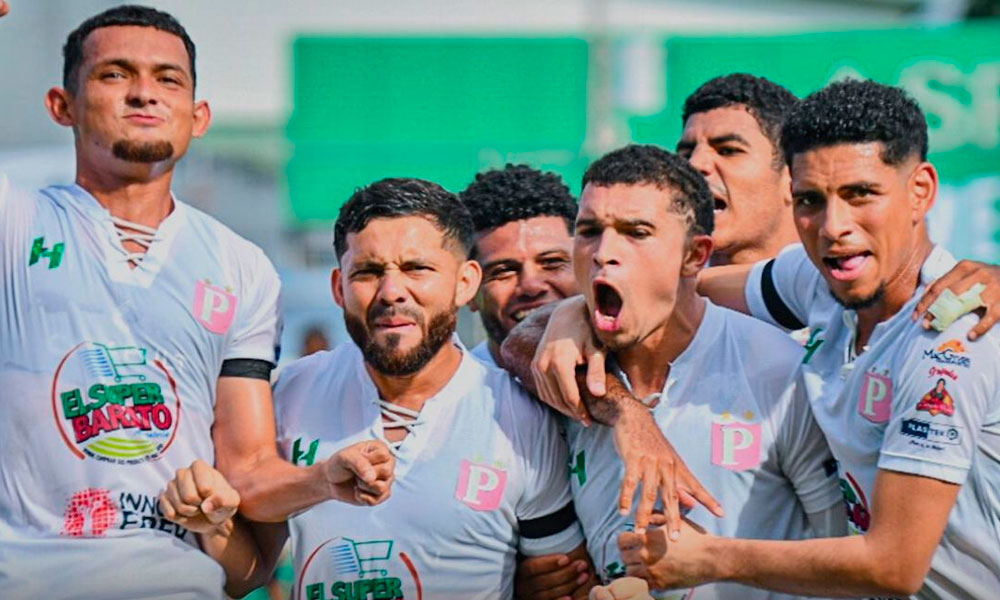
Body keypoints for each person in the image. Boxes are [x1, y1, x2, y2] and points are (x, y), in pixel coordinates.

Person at [0, 5, 389, 598]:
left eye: (168, 79)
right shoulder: (15, 225)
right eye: (114, 74)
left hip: (179, 585)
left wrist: (320, 479)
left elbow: (247, 470)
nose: (144, 93)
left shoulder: (241, 267)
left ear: (198, 116)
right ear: (62, 105)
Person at [594, 81, 1000, 597]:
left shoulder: (950, 335)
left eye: (860, 194)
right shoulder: (817, 282)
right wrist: (577, 320)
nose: (833, 226)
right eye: (811, 200)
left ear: (920, 190)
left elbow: (894, 566)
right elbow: (672, 292)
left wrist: (709, 558)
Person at [165, 178, 591, 598]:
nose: (392, 292)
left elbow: (560, 580)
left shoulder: (522, 414)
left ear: (465, 283)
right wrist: (215, 526)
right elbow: (247, 575)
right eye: (368, 272)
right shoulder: (293, 392)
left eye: (416, 268)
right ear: (339, 287)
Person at [502, 145, 844, 599]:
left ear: (694, 255)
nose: (604, 253)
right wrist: (627, 412)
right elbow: (515, 345)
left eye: (636, 232)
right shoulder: (559, 374)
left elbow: (844, 561)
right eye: (589, 231)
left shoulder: (778, 373)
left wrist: (717, 560)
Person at [461, 164, 578, 369]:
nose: (531, 286)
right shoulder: (457, 389)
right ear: (468, 288)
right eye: (503, 271)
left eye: (551, 263)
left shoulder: (634, 375)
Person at [676, 73, 799, 266]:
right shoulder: (651, 283)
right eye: (686, 155)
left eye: (728, 151)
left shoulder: (837, 280)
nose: (695, 164)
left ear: (793, 177)